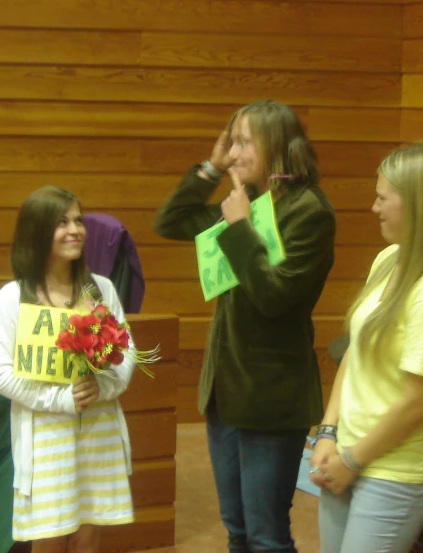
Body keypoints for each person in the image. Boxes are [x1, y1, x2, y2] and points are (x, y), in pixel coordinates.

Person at [153, 99, 336, 553]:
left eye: (242, 143)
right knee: (237, 532)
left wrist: (237, 228)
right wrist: (210, 171)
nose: (232, 153)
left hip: (271, 397)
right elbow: (170, 222)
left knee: (266, 536)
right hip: (225, 391)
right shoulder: (247, 202)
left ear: (275, 143)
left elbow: (274, 297)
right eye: (229, 143)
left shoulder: (308, 211)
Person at [309, 142, 423, 553]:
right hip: (345, 452)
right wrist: (327, 434)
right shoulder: (389, 259)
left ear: (419, 204)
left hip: (392, 471)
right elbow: (354, 352)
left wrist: (352, 461)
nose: (374, 207)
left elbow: (414, 403)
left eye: (383, 198)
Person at [0, 186, 136, 553]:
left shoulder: (101, 289)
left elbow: (127, 351)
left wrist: (104, 388)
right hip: (46, 436)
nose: (75, 230)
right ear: (37, 232)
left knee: (89, 531)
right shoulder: (13, 296)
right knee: (49, 535)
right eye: (61, 222)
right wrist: (59, 398)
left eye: (78, 220)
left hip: (98, 429)